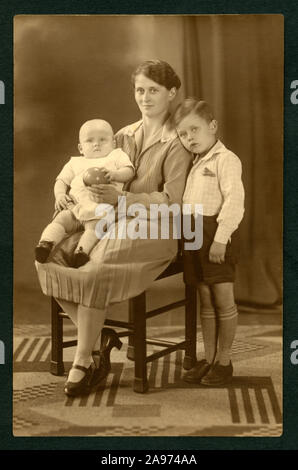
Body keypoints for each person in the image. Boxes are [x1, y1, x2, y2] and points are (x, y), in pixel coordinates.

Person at [35, 59, 193, 397]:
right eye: (140, 90)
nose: (146, 97)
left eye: (154, 90)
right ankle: (101, 338)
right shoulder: (121, 135)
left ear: (172, 92)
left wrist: (121, 200)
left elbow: (174, 201)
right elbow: (83, 176)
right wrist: (69, 198)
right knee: (50, 259)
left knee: (93, 269)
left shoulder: (178, 142)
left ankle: (84, 361)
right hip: (105, 220)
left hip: (156, 229)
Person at [172, 98, 245, 386]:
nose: (189, 138)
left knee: (223, 299)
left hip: (215, 235)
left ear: (212, 126)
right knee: (204, 298)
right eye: (183, 134)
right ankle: (211, 357)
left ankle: (224, 361)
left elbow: (235, 201)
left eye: (195, 130)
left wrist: (220, 239)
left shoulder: (226, 159)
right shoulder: (194, 162)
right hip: (192, 235)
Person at [35, 119, 134, 268]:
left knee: (94, 228)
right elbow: (61, 180)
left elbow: (129, 171)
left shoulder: (116, 156)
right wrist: (60, 195)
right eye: (90, 141)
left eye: (103, 139)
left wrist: (115, 174)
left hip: (100, 209)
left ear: (113, 143)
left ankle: (81, 252)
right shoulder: (75, 162)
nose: (96, 144)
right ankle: (46, 243)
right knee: (60, 220)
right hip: (75, 207)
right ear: (81, 148)